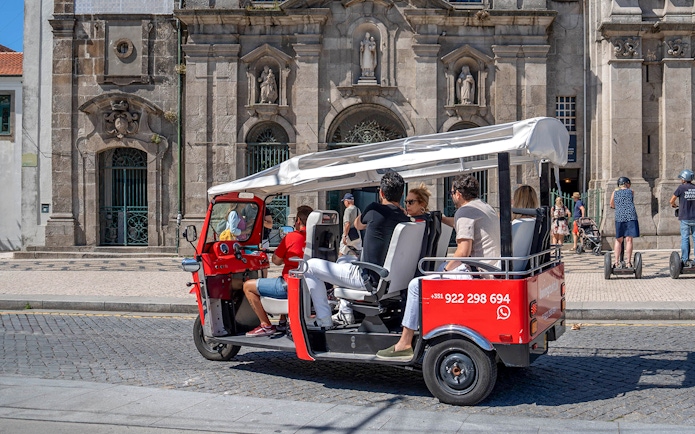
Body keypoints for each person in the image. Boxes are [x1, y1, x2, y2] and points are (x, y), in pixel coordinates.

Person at [376, 174, 501, 360]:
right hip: (489, 268)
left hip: (478, 273)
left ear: (458, 194)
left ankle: (405, 342)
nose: (452, 196)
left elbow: (463, 251)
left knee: (416, 285)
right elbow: (460, 225)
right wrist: (441, 218)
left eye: (452, 193)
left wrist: (445, 272)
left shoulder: (465, 211)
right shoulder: (484, 208)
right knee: (438, 268)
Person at [302, 171, 410, 328]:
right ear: (401, 194)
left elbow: (358, 224)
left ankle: (324, 319)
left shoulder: (374, 209)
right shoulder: (404, 218)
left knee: (309, 266)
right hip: (388, 278)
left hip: (367, 277)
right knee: (344, 260)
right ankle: (345, 312)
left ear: (381, 192)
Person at [243, 205, 313, 337]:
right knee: (284, 278)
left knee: (248, 286)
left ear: (298, 220)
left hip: (288, 285)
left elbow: (276, 260)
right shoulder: (315, 238)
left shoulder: (292, 237)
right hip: (306, 284)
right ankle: (282, 321)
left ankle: (265, 325)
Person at [610, 177, 639, 268]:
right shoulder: (631, 191)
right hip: (631, 217)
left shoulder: (615, 192)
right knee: (629, 240)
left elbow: (611, 204)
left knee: (618, 239)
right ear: (627, 183)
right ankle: (628, 262)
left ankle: (616, 261)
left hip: (620, 217)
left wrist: (616, 207)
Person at [670, 169, 695, 267]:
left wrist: (674, 205)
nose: (681, 180)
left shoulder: (681, 188)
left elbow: (671, 200)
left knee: (685, 238)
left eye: (681, 178)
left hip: (685, 217)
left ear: (684, 179)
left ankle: (684, 259)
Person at [339, 193, 362, 258]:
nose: (344, 203)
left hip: (348, 236)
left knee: (341, 252)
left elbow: (347, 224)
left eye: (344, 201)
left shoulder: (348, 210)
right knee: (357, 254)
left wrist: (344, 236)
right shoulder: (358, 209)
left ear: (347, 201)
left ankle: (338, 264)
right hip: (356, 235)